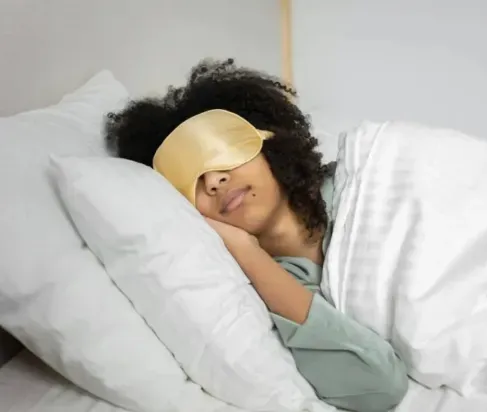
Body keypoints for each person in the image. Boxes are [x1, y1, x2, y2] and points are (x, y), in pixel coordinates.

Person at [105, 58, 408, 412]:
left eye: (220, 150)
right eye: (190, 180)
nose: (213, 180)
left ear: (269, 140)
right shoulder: (275, 288)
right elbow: (381, 385)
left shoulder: (363, 181)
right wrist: (248, 253)